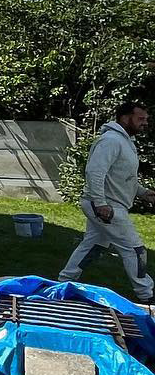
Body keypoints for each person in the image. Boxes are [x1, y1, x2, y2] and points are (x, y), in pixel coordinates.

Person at [58, 98, 154, 302]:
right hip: (107, 208)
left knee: (93, 246)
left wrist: (143, 192)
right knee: (136, 250)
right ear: (125, 118)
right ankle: (147, 295)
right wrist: (100, 204)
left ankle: (64, 282)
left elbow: (120, 177)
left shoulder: (125, 141)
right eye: (141, 118)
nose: (145, 122)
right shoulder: (111, 140)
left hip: (108, 206)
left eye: (146, 119)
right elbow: (95, 172)